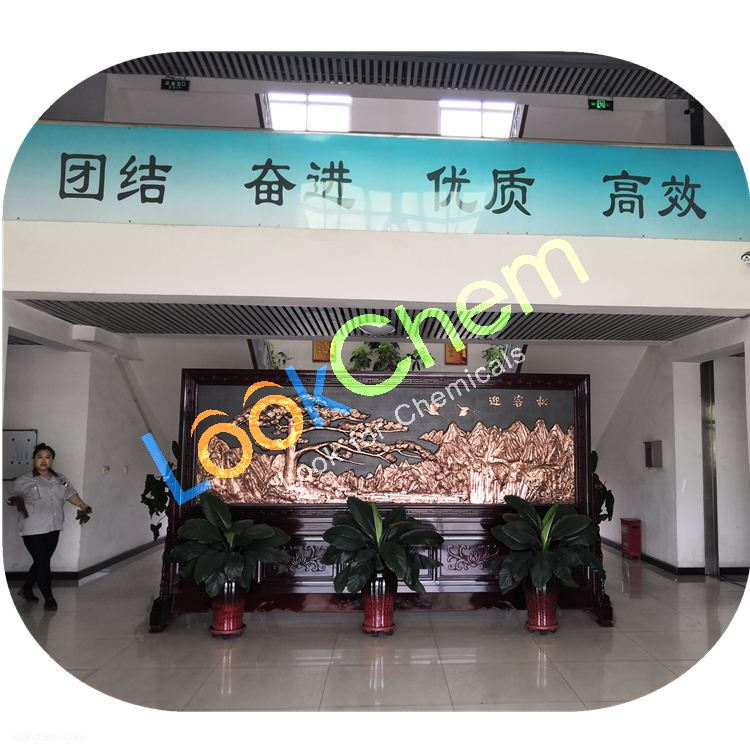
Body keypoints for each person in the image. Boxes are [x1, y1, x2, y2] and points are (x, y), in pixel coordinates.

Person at [9, 443, 92, 611]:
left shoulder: (60, 479)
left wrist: (83, 505)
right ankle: (49, 597)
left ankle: (26, 589)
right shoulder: (23, 480)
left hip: (54, 526)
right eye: (39, 457)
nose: (43, 460)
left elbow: (70, 494)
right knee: (43, 562)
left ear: (52, 460)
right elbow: (11, 498)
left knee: (42, 560)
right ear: (34, 459)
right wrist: (16, 501)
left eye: (47, 457)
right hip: (32, 528)